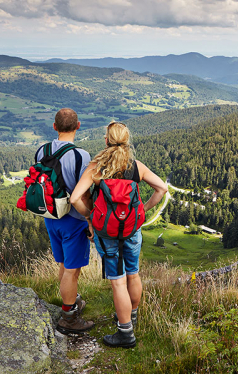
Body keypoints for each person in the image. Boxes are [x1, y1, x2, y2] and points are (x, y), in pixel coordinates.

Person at [70, 121, 167, 348]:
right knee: (133, 275)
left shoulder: (96, 168)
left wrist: (91, 216)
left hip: (106, 232)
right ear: (127, 140)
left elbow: (75, 198)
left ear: (106, 140)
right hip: (132, 230)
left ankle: (125, 334)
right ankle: (130, 317)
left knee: (117, 282)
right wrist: (142, 211)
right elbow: (161, 188)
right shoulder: (135, 166)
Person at [38, 108, 94, 334]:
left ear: (54, 127)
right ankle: (68, 317)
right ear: (78, 126)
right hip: (73, 219)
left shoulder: (42, 150)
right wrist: (89, 218)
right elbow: (84, 193)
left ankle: (68, 302)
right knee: (72, 270)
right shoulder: (82, 155)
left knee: (63, 265)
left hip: (50, 216)